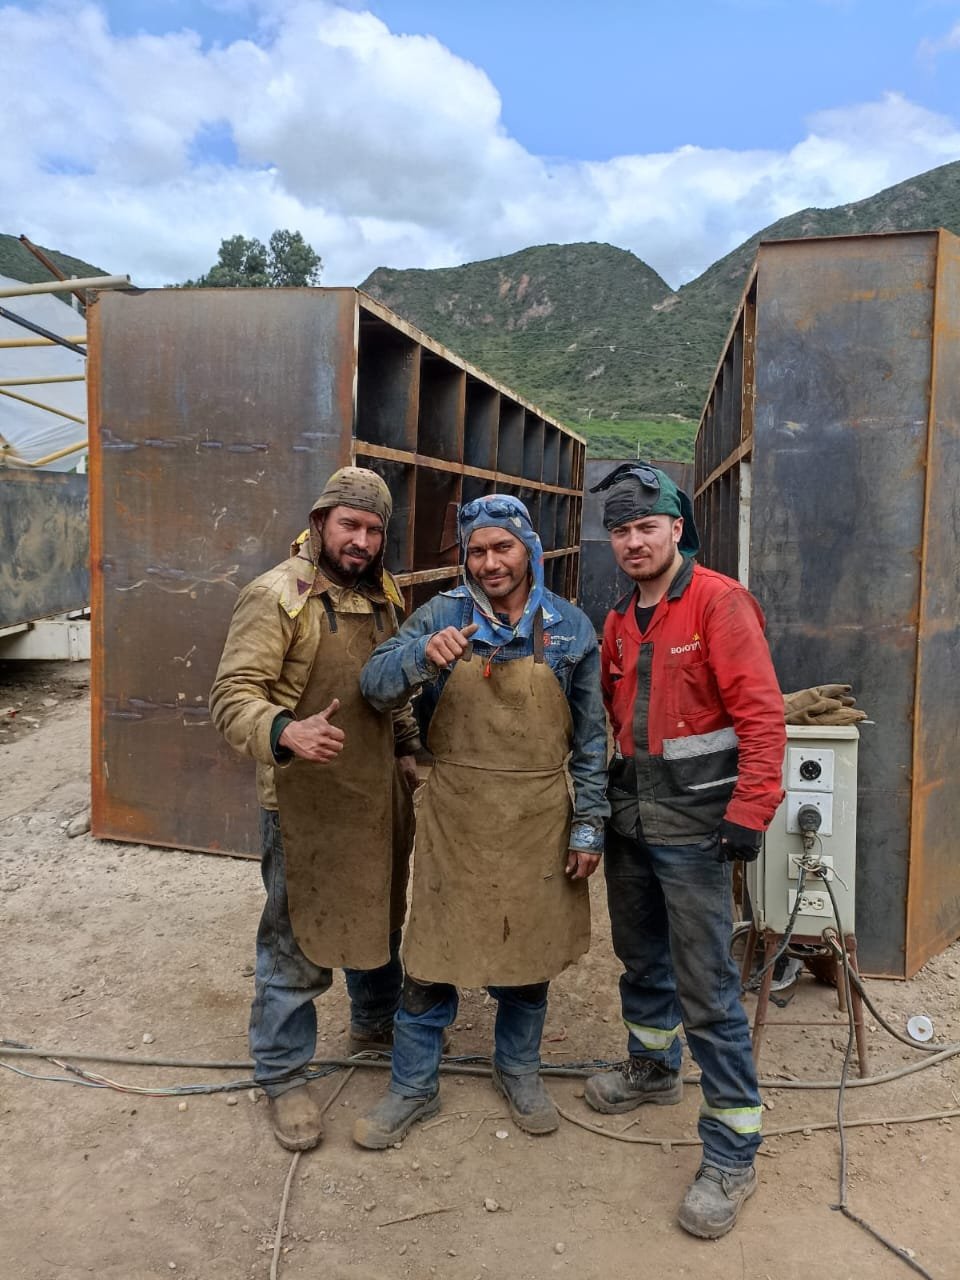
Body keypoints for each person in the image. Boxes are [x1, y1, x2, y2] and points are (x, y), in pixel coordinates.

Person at [351, 493, 609, 1150]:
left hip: (537, 818)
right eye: (477, 551)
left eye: (503, 547)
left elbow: (591, 739)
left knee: (528, 951)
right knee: (430, 956)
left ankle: (518, 1067)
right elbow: (374, 686)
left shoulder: (570, 628)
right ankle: (413, 1084)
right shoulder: (442, 615)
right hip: (456, 815)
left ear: (529, 550)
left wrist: (589, 824)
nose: (490, 563)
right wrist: (419, 656)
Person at [584, 463, 786, 1240]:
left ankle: (733, 1151)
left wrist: (751, 810)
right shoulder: (619, 619)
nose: (633, 541)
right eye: (621, 530)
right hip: (633, 823)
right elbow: (617, 718)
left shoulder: (717, 603)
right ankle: (653, 1068)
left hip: (699, 831)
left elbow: (762, 716)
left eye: (646, 527)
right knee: (642, 962)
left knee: (707, 986)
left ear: (676, 528)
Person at [209, 467, 420, 1152]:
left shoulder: (385, 595)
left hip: (375, 792)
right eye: (349, 525)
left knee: (379, 911)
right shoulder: (277, 596)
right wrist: (284, 729)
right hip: (303, 800)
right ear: (321, 522)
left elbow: (395, 691)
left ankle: (375, 1022)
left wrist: (409, 750)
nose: (361, 541)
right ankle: (282, 1073)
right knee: (294, 935)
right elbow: (232, 696)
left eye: (374, 530)